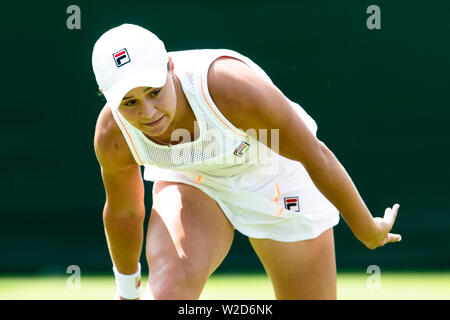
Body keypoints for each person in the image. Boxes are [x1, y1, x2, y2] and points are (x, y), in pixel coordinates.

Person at [92, 24, 402, 300]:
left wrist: (366, 228)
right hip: (193, 178)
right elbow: (124, 212)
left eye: (155, 92)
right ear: (105, 95)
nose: (148, 113)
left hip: (276, 172)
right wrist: (127, 290)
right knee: (169, 289)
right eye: (129, 102)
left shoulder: (229, 88)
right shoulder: (113, 136)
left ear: (170, 68)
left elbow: (314, 154)